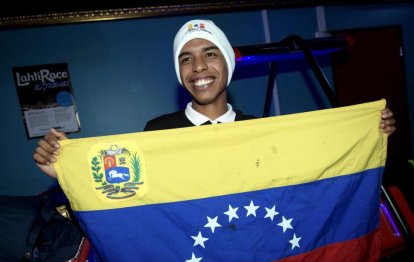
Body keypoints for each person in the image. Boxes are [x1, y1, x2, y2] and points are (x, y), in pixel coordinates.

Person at [33, 19, 396, 179]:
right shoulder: (155, 132)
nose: (198, 67)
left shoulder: (262, 130)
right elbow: (130, 196)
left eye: (210, 53)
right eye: (186, 59)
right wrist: (66, 171)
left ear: (227, 63)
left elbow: (310, 174)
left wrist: (367, 134)